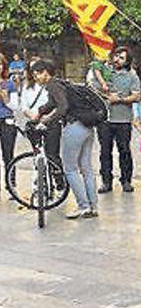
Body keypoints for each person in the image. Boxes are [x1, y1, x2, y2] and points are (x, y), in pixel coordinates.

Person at [31, 60, 98, 219]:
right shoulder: (61, 83)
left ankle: (83, 205)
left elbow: (63, 107)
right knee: (86, 168)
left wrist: (46, 120)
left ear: (45, 72)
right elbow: (52, 103)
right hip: (87, 127)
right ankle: (92, 207)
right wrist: (40, 112)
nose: (36, 79)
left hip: (74, 127)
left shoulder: (53, 85)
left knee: (70, 169)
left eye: (37, 75)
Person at [93, 46, 141, 194]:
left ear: (127, 61)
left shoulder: (132, 76)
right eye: (116, 56)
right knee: (105, 151)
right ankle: (106, 181)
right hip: (105, 120)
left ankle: (126, 180)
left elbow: (137, 96)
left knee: (124, 151)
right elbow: (94, 69)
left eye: (121, 58)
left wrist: (119, 99)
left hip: (123, 119)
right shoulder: (105, 72)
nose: (117, 60)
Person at [0, 55, 17, 195]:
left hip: (6, 120)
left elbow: (15, 106)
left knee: (8, 154)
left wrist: (6, 98)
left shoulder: (9, 84)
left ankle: (11, 184)